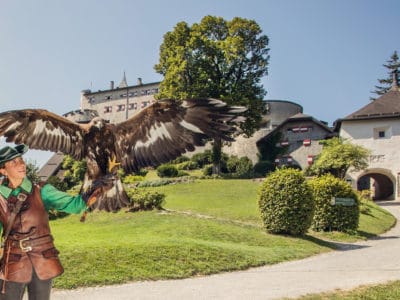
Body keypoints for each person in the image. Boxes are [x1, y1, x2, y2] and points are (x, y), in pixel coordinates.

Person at [0, 144, 99, 300]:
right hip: (12, 260)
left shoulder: (42, 190)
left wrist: (93, 189)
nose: (21, 165)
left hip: (42, 259)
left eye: (21, 160)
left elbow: (74, 205)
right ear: (3, 171)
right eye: (13, 163)